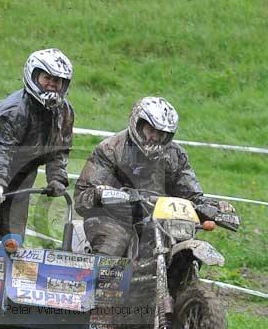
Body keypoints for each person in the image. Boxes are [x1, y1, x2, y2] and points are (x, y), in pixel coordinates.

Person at [0, 48, 74, 285]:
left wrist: (57, 178)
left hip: (23, 174)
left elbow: (59, 150)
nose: (52, 86)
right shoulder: (14, 110)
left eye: (58, 81)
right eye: (47, 79)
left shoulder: (64, 113)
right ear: (34, 77)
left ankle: (8, 292)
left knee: (13, 238)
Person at [74, 96, 239, 256]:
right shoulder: (110, 149)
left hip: (158, 222)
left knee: (185, 250)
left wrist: (214, 208)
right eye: (151, 130)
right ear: (138, 125)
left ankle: (186, 282)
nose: (155, 137)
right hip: (113, 218)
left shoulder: (175, 155)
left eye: (161, 134)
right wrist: (101, 193)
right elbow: (82, 197)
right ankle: (102, 283)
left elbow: (191, 195)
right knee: (115, 242)